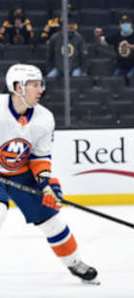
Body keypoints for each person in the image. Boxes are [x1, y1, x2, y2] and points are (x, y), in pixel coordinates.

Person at [0, 64, 98, 284]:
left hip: (20, 173)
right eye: (34, 85)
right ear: (17, 87)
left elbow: (39, 157)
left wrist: (45, 185)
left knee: (52, 221)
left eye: (40, 84)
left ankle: (74, 262)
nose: (40, 89)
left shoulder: (44, 118)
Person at [95, 14, 134, 79]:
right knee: (115, 79)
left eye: (127, 23)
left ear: (131, 24)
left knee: (130, 77)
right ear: (120, 25)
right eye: (123, 23)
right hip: (122, 67)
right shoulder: (116, 35)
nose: (125, 25)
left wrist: (130, 46)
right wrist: (97, 35)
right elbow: (102, 41)